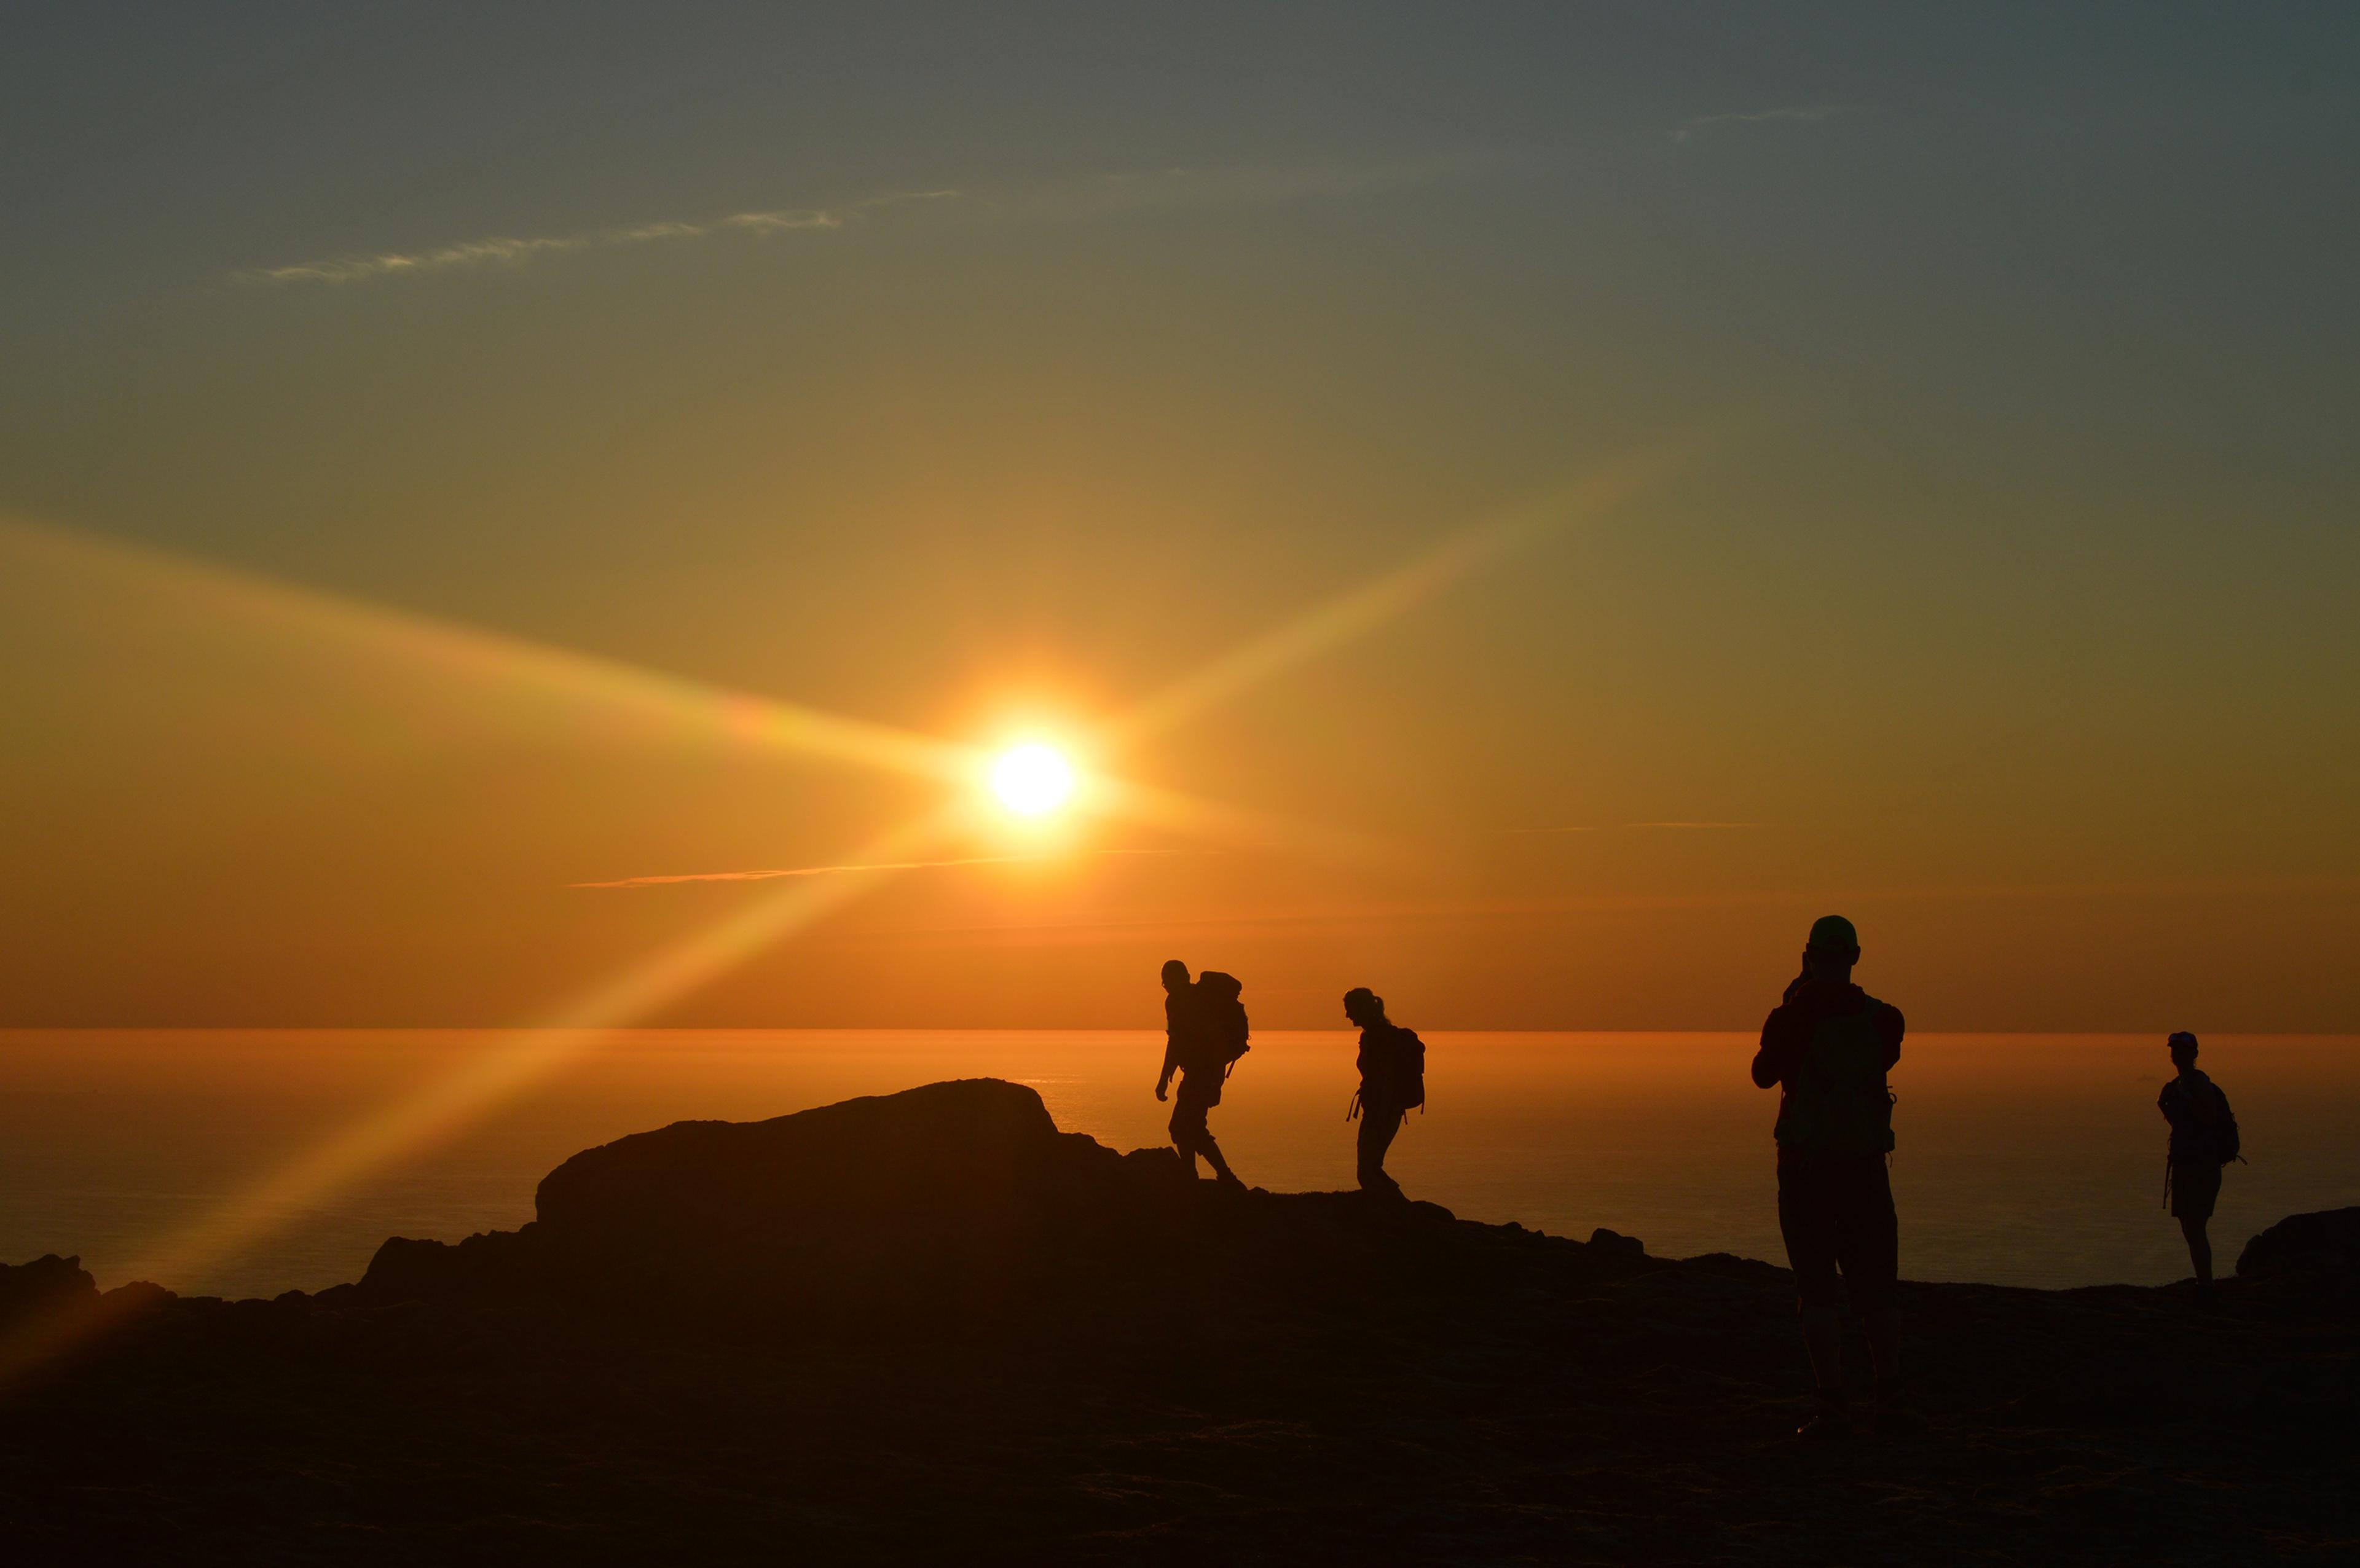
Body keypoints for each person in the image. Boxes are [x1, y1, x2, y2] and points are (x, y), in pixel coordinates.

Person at [1750, 915, 1911, 1440]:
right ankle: (1888, 1397)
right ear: (1857, 957)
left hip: (1805, 1170)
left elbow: (1762, 1075)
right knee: (1877, 1288)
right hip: (1863, 1168)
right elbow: (1884, 1059)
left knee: (1817, 1288)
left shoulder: (1790, 1017)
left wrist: (1795, 998)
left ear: (1809, 955)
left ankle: (1833, 1405)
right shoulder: (1885, 1020)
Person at [1155, 960, 1246, 1189]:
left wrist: (1164, 1079)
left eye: (1167, 980)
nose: (1165, 985)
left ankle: (1219, 1176)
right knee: (1188, 1127)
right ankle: (1198, 1176)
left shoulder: (1184, 1002)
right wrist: (1166, 1077)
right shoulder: (1185, 1000)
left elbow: (1178, 1041)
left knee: (1184, 1127)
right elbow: (1176, 1040)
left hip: (1203, 1074)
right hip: (1203, 1072)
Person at [2158, 1031, 2239, 1285]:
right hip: (2185, 1163)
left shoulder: (2199, 1083)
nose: (2177, 1054)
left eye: (2182, 1050)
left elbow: (2209, 1118)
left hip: (2202, 1164)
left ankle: (2206, 1286)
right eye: (2174, 1050)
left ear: (2194, 1054)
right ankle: (2204, 1282)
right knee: (2189, 1227)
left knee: (2194, 1226)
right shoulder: (2177, 1084)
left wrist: (2186, 1099)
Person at [1343, 987, 1424, 1198]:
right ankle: (1393, 1208)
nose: (1347, 1015)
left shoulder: (1379, 1037)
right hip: (1378, 1109)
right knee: (1369, 1169)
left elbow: (1389, 1078)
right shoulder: (1371, 1035)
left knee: (1368, 1171)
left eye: (1350, 1009)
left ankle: (1397, 1209)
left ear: (1362, 1008)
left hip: (1383, 1110)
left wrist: (1382, 1114)